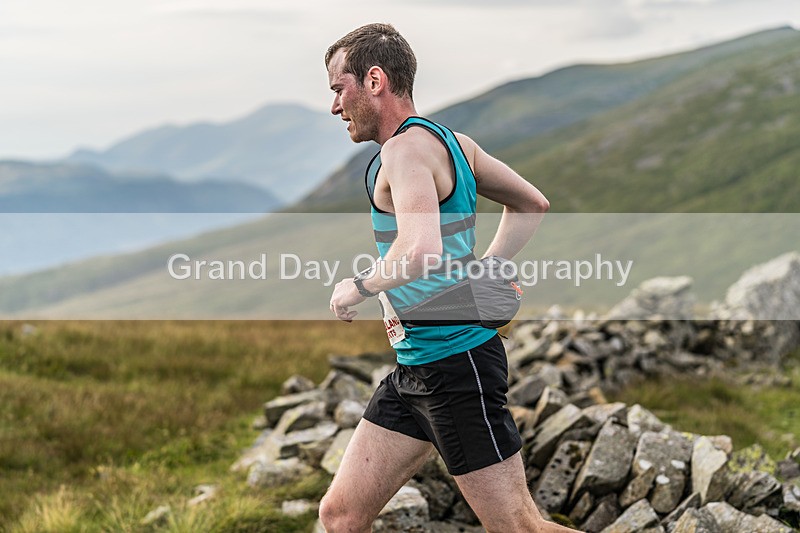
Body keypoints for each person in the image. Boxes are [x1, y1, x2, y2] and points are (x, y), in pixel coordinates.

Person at [322, 23, 579, 533]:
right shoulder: (456, 145)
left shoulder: (404, 151)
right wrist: (492, 264)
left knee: (520, 527)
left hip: (458, 367)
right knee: (340, 515)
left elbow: (419, 250)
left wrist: (358, 286)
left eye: (338, 88)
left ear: (374, 80)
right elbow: (532, 203)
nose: (334, 106)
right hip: (415, 367)